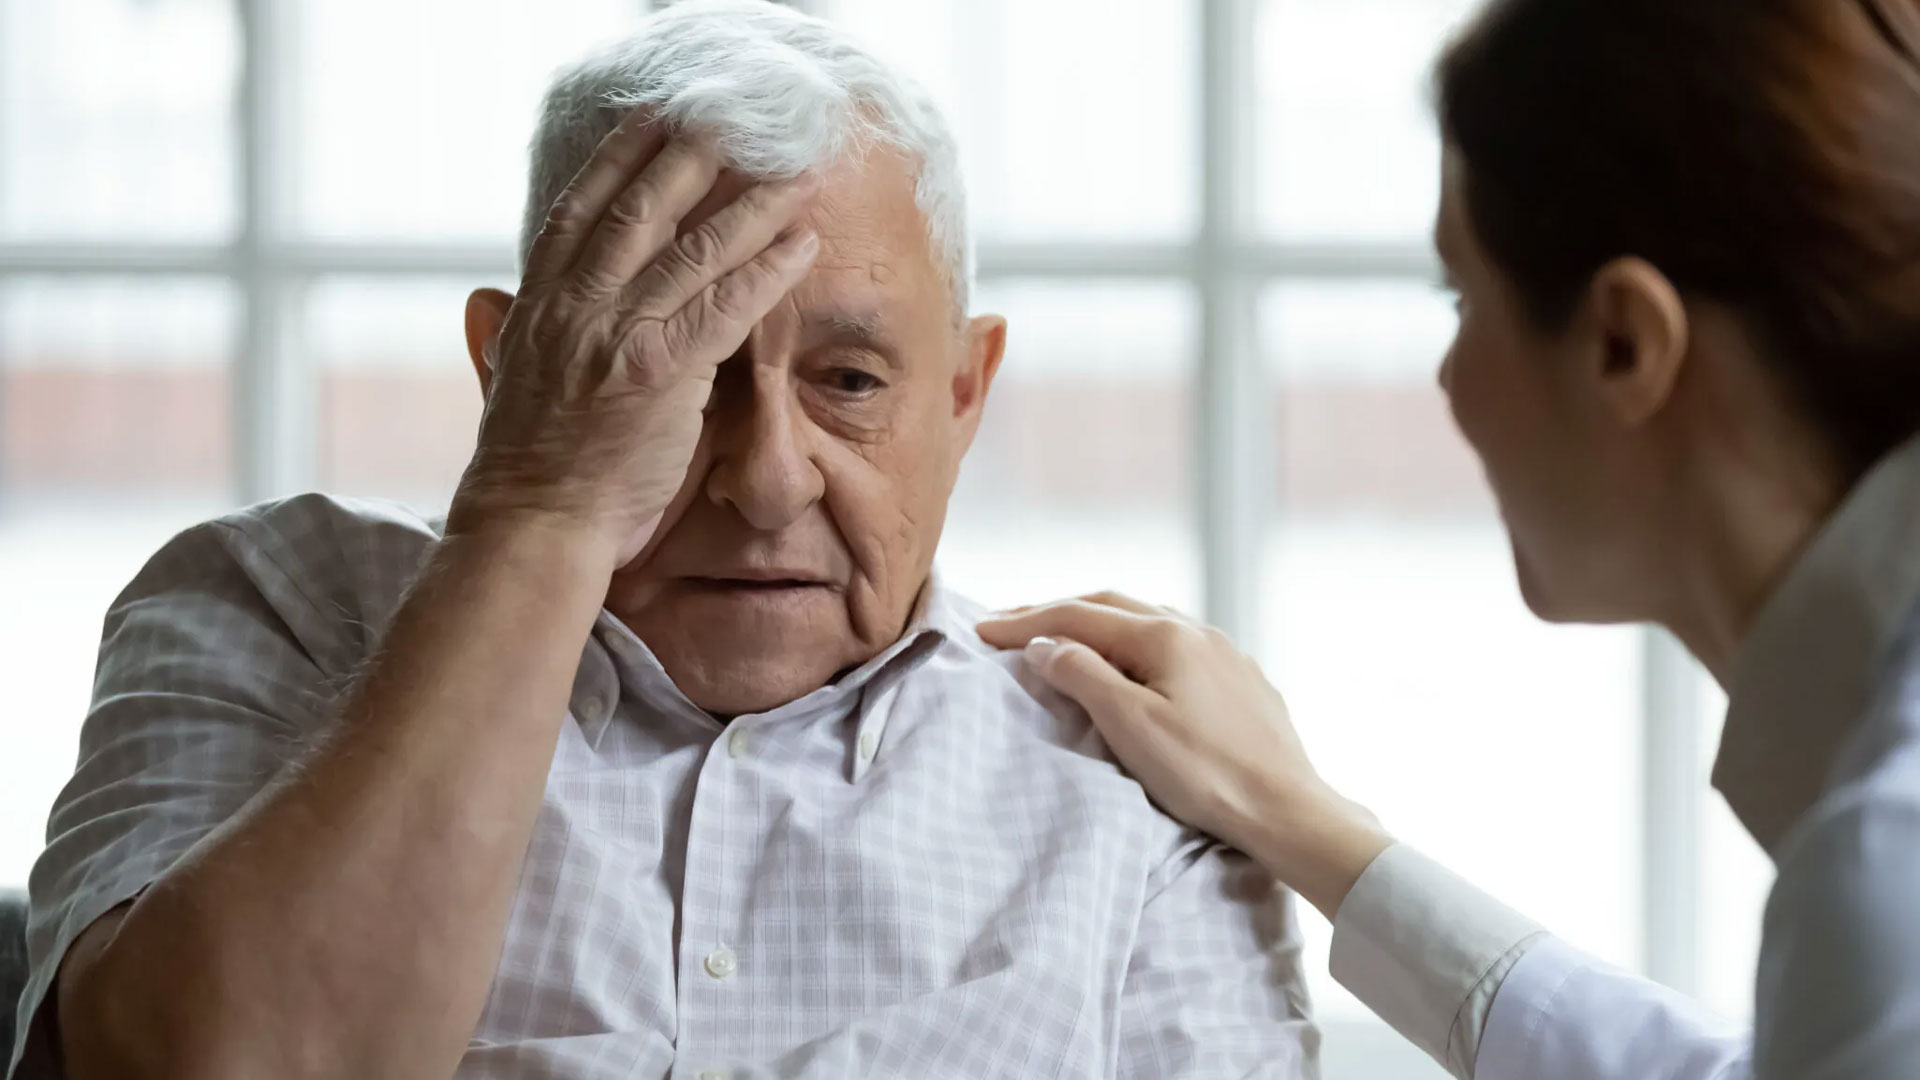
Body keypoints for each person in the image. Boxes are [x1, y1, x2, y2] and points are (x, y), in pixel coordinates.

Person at [4, 3, 1319, 1078]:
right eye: (671, 368)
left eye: (849, 381)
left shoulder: (1133, 773)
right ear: (512, 368)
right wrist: (541, 505)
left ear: (965, 395)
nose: (761, 479)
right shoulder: (272, 605)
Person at [982, 0, 1920, 1077]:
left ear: (1623, 344)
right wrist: (1311, 829)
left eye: (1463, 297)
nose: (1446, 381)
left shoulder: (1889, 874)